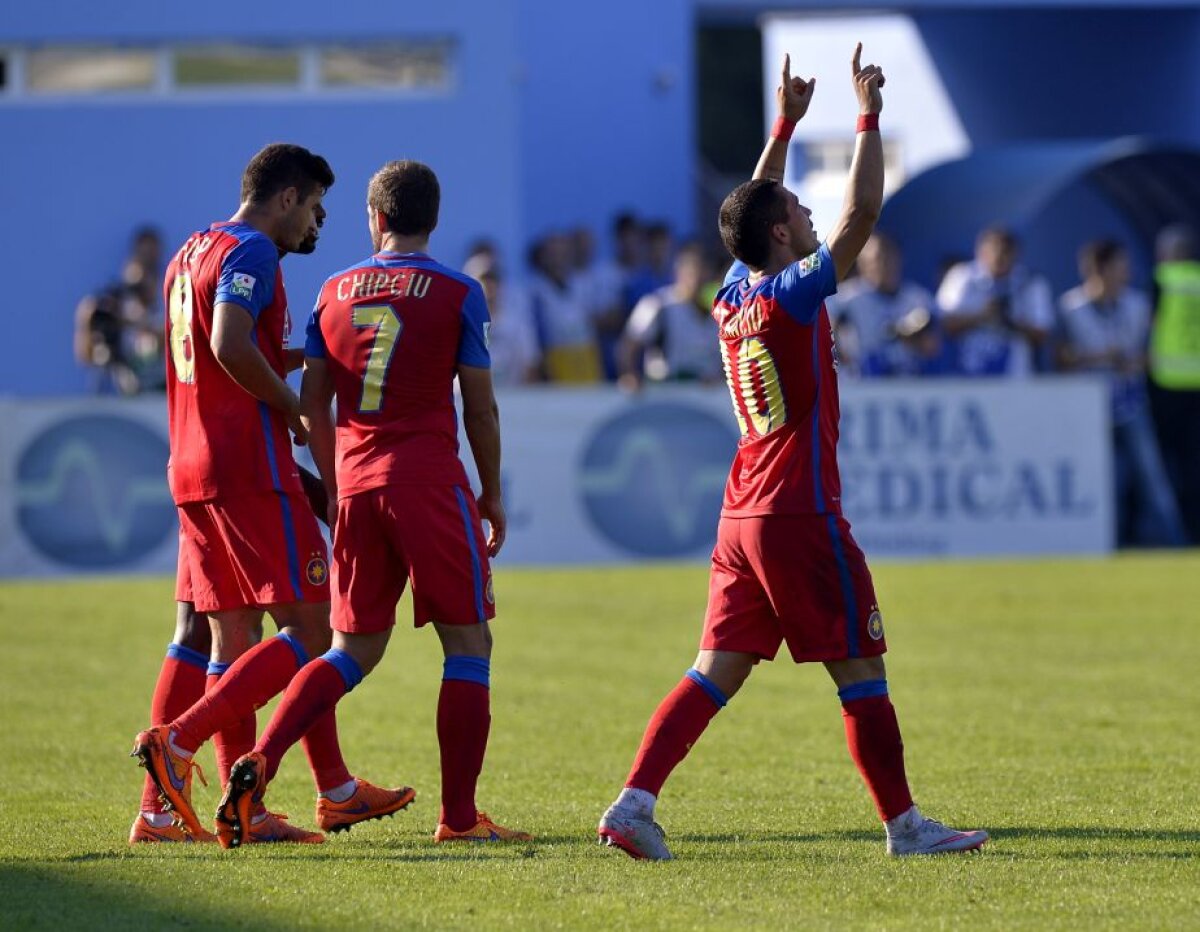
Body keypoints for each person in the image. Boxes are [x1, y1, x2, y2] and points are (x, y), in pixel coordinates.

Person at [596, 47, 988, 861]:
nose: (811, 215)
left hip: (743, 513)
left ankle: (632, 806)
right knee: (862, 671)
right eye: (799, 210)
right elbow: (863, 213)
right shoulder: (786, 294)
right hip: (798, 512)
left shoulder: (730, 296)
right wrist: (868, 114)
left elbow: (746, 212)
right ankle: (906, 827)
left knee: (715, 670)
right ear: (782, 234)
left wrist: (783, 126)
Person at [210, 159, 530, 849]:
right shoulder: (458, 291)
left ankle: (261, 761)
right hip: (430, 485)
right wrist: (492, 493)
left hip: (357, 488)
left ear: (376, 218)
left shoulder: (332, 292)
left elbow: (314, 404)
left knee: (350, 650)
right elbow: (480, 408)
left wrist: (336, 483)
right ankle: (460, 818)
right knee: (468, 644)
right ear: (432, 220)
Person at [132, 143, 411, 845]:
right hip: (246, 465)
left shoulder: (190, 251)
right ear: (286, 197)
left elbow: (218, 346)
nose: (316, 221)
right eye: (314, 206)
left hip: (191, 461)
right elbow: (229, 343)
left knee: (227, 634)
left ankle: (183, 810)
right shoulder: (253, 251)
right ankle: (180, 742)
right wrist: (293, 407)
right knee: (315, 629)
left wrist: (313, 357)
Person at [1058, 239, 1186, 547]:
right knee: (1097, 479)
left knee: (1150, 476)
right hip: (1088, 407)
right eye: (1120, 264)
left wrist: (1134, 362)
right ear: (1099, 268)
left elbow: (1151, 354)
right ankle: (1100, 544)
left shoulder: (1137, 305)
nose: (1127, 271)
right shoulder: (1071, 307)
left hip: (1130, 402)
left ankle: (1176, 542)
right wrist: (1102, 357)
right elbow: (1060, 358)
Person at [828, 233, 949, 377]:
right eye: (877, 259)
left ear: (899, 260)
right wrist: (844, 358)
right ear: (862, 264)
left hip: (907, 380)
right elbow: (826, 333)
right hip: (861, 381)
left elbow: (934, 347)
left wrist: (911, 337)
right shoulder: (846, 297)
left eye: (889, 258)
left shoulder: (918, 298)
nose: (884, 266)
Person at [937, 227, 1054, 376]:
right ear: (980, 252)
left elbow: (1043, 333)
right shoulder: (961, 277)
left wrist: (1009, 321)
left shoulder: (1032, 282)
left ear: (1016, 254)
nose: (999, 258)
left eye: (1005, 252)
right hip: (967, 375)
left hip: (1015, 377)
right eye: (993, 252)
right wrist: (982, 316)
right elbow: (943, 324)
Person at [1148, 224, 1200, 542]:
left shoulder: (1162, 280)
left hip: (1166, 383)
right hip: (1198, 384)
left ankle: (1166, 530)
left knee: (1160, 463)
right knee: (1194, 463)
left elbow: (1147, 325)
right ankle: (1194, 528)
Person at [617, 242, 722, 388]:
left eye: (705, 273)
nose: (700, 280)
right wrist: (630, 375)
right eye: (694, 273)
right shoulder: (657, 305)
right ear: (679, 274)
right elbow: (629, 345)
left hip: (707, 396)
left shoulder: (721, 311)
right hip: (666, 393)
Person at [528, 232, 602, 382]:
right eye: (553, 254)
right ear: (543, 258)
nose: (558, 259)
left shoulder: (583, 285)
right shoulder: (534, 292)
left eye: (563, 254)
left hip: (586, 360)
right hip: (556, 363)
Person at [464, 252, 538, 385]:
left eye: (493, 278)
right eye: (483, 278)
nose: (489, 284)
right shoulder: (458, 323)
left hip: (511, 395)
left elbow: (530, 364)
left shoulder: (518, 324)